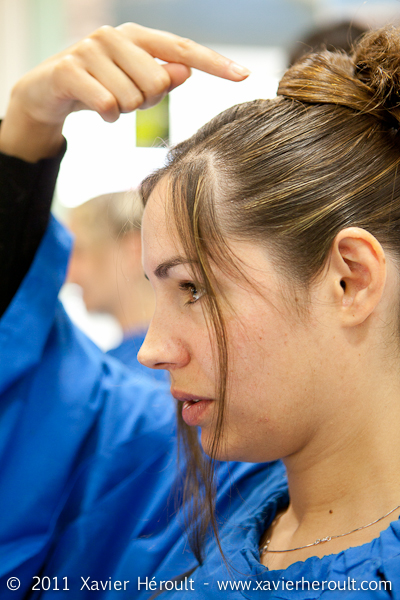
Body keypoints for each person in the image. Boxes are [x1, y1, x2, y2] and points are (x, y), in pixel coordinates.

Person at [1, 21, 400, 599]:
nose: (151, 349)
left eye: (193, 289)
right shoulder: (182, 499)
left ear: (349, 280)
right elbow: (32, 400)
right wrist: (27, 129)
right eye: (156, 288)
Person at [66, 189, 166, 376]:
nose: (69, 275)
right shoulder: (122, 366)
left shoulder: (146, 373)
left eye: (79, 252)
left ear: (134, 252)